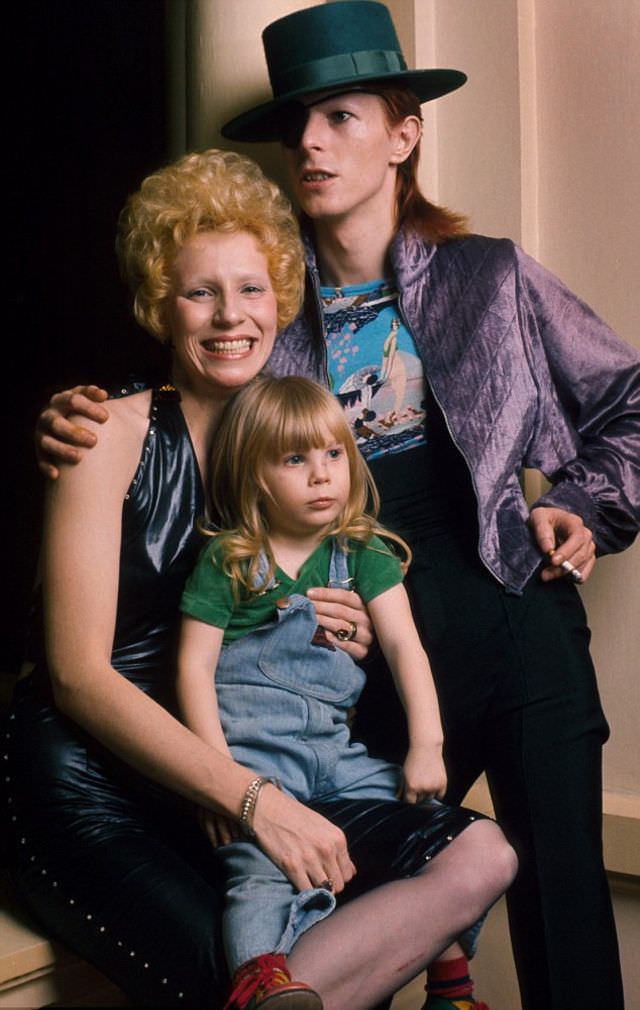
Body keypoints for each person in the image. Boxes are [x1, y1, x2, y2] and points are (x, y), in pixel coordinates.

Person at [35, 4, 640, 1008]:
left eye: (342, 117)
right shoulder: (267, 311)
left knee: (563, 909)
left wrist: (585, 499)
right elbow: (184, 386)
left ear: (405, 133)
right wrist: (74, 411)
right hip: (364, 653)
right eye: (295, 124)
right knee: (355, 905)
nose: (310, 143)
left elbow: (629, 402)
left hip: (518, 625)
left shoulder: (490, 278)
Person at [5, 145, 517, 1010]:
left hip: (245, 767)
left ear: (280, 300)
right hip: (97, 791)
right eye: (199, 292)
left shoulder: (299, 439)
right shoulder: (105, 436)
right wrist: (254, 801)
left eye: (249, 289)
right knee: (238, 976)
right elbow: (77, 677)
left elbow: (334, 595)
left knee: (482, 853)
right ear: (160, 307)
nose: (229, 316)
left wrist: (345, 626)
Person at [177, 373, 495, 1010]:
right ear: (255, 474)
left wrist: (426, 744)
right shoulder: (233, 559)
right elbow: (191, 671)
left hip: (335, 757)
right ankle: (262, 979)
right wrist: (215, 778)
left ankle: (451, 987)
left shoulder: (364, 553)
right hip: (255, 762)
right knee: (259, 872)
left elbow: (406, 648)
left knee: (429, 836)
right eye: (295, 459)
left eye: (332, 454)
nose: (322, 474)